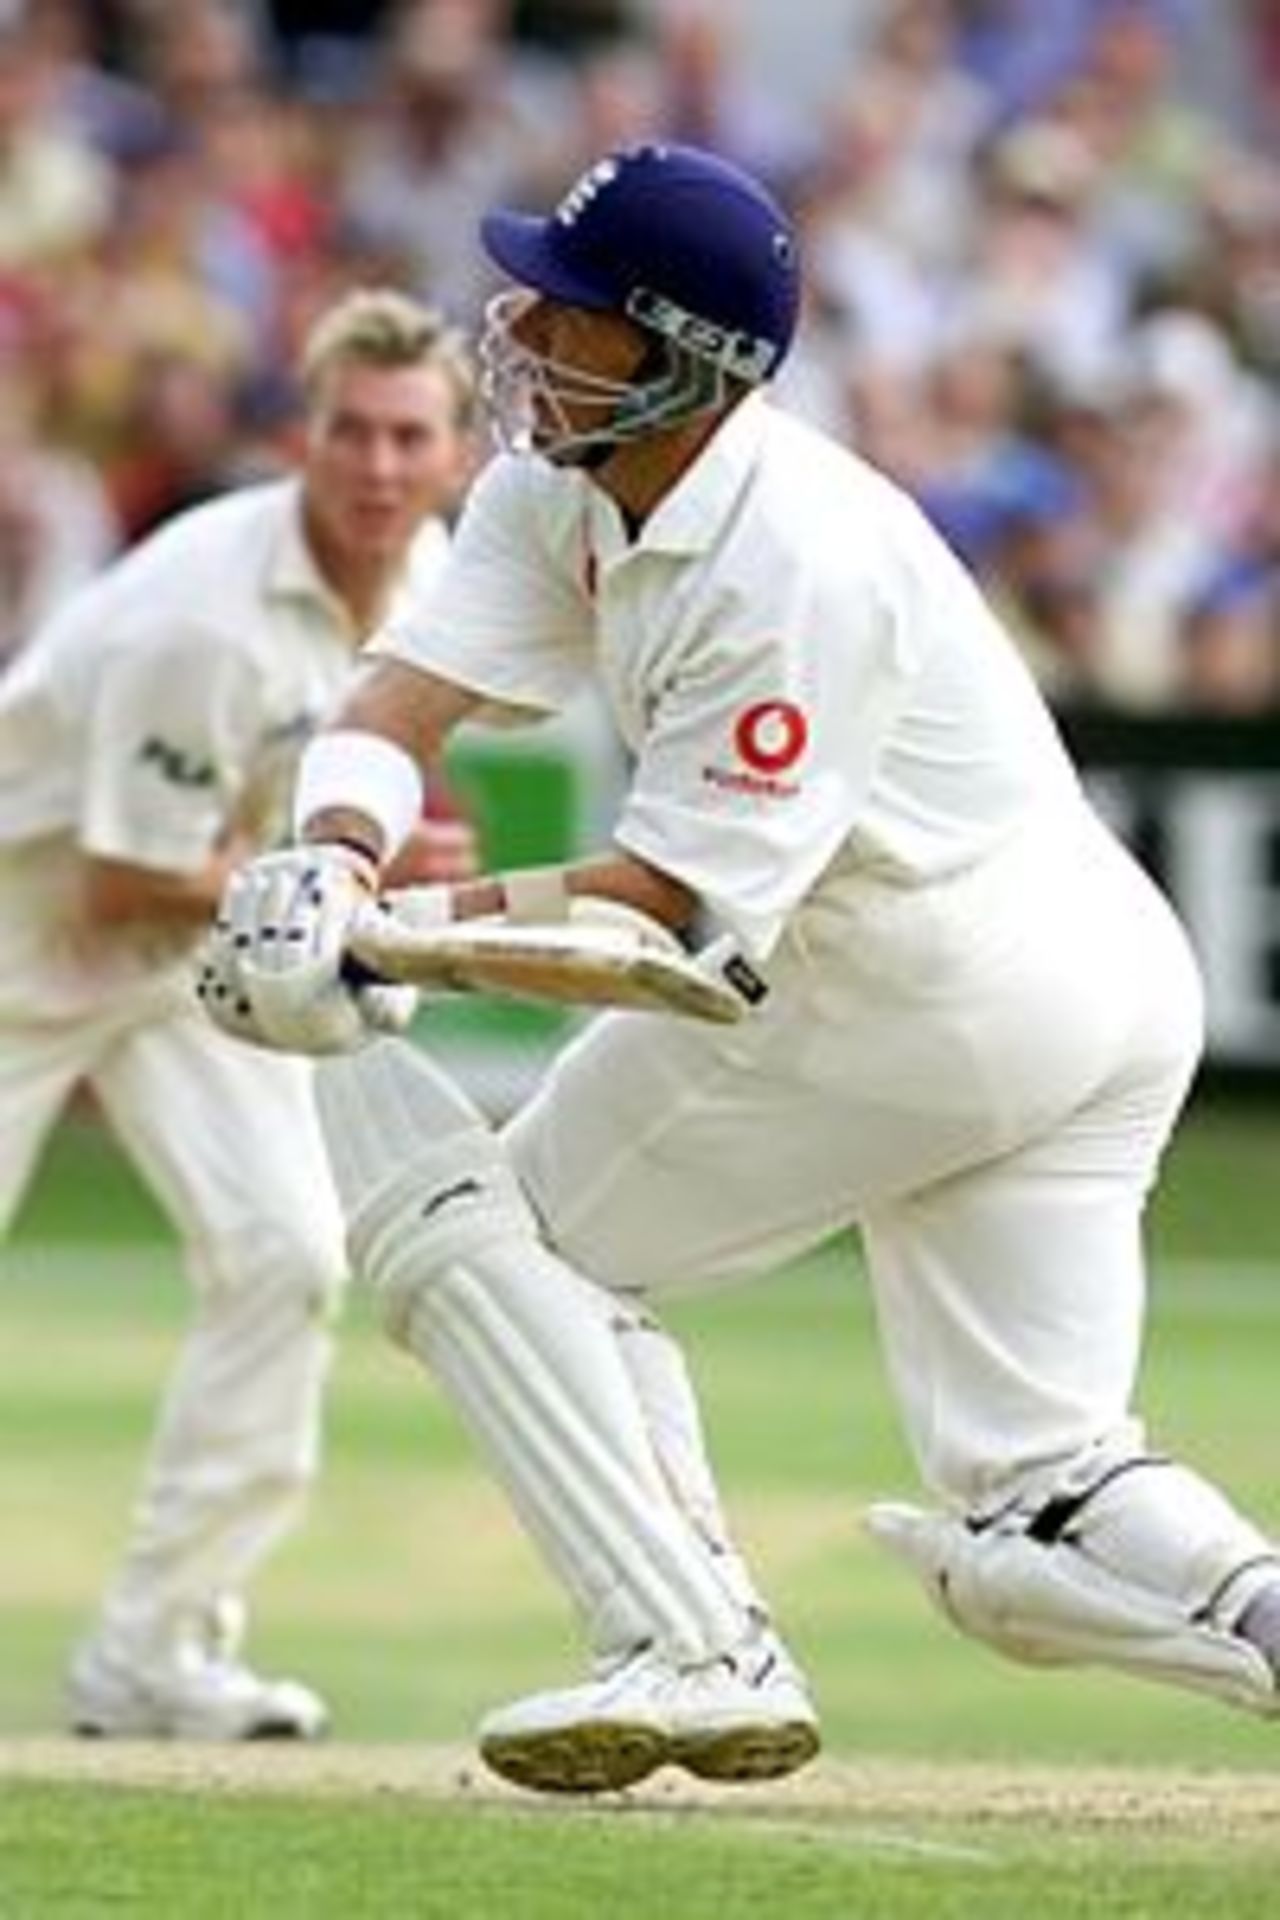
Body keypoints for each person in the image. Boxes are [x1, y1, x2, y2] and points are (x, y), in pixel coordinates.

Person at [203, 142, 1280, 1795]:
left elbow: (669, 914)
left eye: (573, 317)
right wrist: (333, 859)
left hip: (930, 976)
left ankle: (693, 1646)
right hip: (1088, 971)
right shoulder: (549, 486)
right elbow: (392, 706)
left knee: (487, 1236)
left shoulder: (799, 558)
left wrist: (389, 938)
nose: (526, 334)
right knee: (1037, 1495)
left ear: (681, 360)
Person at [0, 286, 477, 1739]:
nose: (381, 469)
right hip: (33, 940)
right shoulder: (200, 618)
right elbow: (121, 875)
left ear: (455, 454)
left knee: (284, 1256)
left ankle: (156, 1656)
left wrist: (358, 868)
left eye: (411, 439)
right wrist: (335, 895)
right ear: (302, 440)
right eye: (353, 435)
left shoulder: (429, 579)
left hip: (171, 966)